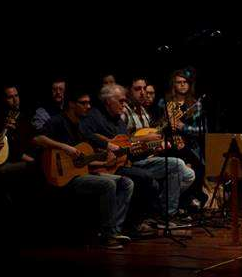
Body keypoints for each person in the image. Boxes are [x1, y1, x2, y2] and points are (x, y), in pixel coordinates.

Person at [32, 91, 134, 249]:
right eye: (83, 103)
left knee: (126, 183)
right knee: (108, 185)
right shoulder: (58, 121)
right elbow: (37, 139)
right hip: (62, 177)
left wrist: (107, 155)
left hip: (80, 172)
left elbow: (87, 152)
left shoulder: (80, 125)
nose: (88, 106)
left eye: (89, 103)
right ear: (72, 104)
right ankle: (107, 236)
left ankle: (114, 230)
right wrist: (65, 147)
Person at [81, 83, 194, 223]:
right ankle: (144, 218)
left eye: (124, 101)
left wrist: (151, 148)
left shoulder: (119, 121)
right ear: (108, 101)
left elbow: (129, 147)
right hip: (108, 166)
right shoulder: (95, 116)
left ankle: (168, 214)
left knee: (176, 164)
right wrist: (108, 145)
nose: (123, 104)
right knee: (146, 178)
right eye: (120, 101)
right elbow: (85, 134)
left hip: (127, 161)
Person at [157, 69, 207, 210]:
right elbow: (156, 126)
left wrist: (183, 126)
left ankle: (188, 201)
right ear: (173, 85)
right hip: (168, 145)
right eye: (179, 82)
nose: (182, 85)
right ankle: (173, 203)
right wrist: (166, 122)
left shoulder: (195, 104)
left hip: (190, 147)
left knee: (197, 168)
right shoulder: (164, 103)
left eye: (185, 82)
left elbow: (202, 131)